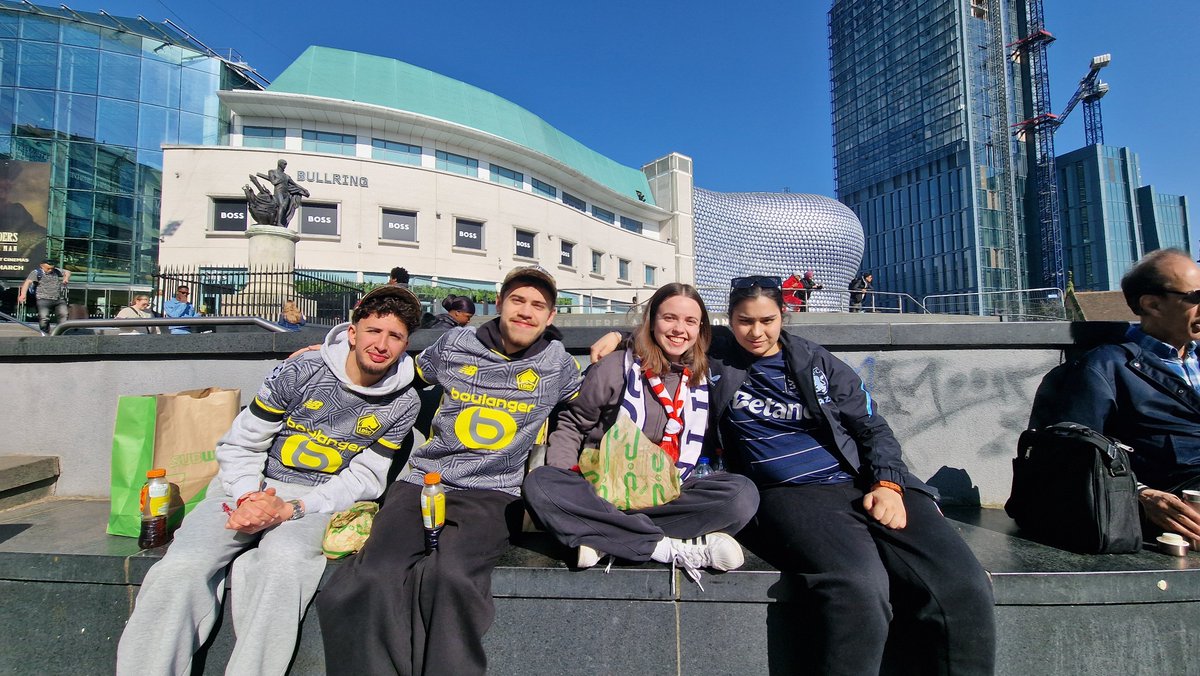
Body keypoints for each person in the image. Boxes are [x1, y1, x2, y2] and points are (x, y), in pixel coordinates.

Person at [591, 276, 995, 675]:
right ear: (729, 321)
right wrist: (620, 340)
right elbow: (669, 333)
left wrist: (888, 482)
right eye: (745, 321)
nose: (756, 332)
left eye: (767, 320)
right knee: (859, 588)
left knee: (965, 586)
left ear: (783, 316)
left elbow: (871, 426)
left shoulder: (814, 361)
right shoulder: (717, 354)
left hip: (864, 479)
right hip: (792, 493)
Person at [114, 286, 424, 676]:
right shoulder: (299, 371)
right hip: (247, 488)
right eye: (373, 331)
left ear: (406, 343)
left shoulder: (404, 403)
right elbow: (241, 444)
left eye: (394, 336)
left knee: (283, 565)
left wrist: (294, 508)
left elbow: (365, 479)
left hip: (316, 502)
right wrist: (248, 496)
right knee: (182, 567)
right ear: (352, 331)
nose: (381, 344)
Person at [317, 265, 582, 676]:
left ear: (550, 318)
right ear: (499, 304)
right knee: (373, 576)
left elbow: (596, 398)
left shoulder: (558, 364)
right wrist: (327, 356)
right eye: (517, 300)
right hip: (422, 480)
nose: (526, 312)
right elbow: (398, 373)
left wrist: (617, 344)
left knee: (452, 576)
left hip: (493, 493)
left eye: (538, 306)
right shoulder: (456, 342)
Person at [523, 283, 758, 584]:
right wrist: (567, 478)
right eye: (669, 318)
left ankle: (604, 535)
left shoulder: (704, 374)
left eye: (690, 322)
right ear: (652, 321)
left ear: (701, 329)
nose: (679, 329)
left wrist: (619, 333)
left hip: (672, 491)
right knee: (542, 485)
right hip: (603, 491)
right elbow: (572, 424)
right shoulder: (615, 367)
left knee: (742, 495)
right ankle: (665, 547)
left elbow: (744, 336)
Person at [1029, 248, 1200, 544]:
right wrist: (1141, 495)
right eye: (1195, 297)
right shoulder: (1104, 367)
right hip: (1176, 509)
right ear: (1152, 304)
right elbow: (1072, 454)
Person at [17, 259, 69, 333]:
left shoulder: (56, 271)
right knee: (44, 318)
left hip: (58, 298)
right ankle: (45, 332)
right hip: (43, 299)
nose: (50, 270)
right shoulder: (36, 273)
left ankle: (59, 332)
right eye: (48, 268)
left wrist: (66, 278)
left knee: (64, 315)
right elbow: (27, 283)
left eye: (52, 268)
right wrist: (22, 295)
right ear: (42, 266)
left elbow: (68, 272)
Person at [257, 159, 309, 228]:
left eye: (286, 164)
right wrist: (281, 179)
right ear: (279, 164)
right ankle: (278, 222)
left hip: (286, 193)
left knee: (285, 208)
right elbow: (273, 182)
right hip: (279, 191)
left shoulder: (286, 176)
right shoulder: (272, 172)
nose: (285, 166)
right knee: (281, 205)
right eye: (284, 164)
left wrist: (304, 189)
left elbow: (295, 184)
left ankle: (280, 221)